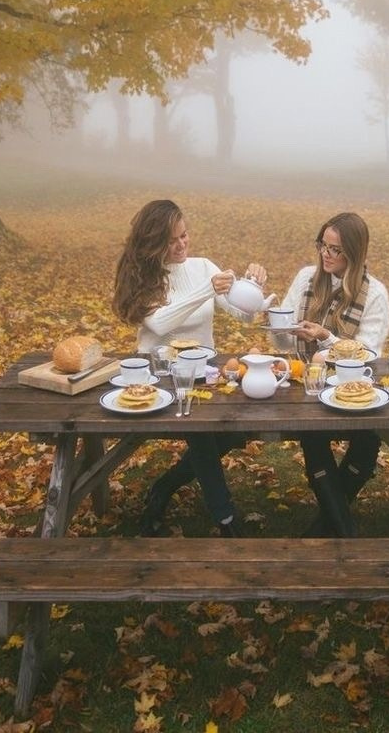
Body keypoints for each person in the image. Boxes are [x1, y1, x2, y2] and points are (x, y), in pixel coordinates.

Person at [112, 198, 267, 537]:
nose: (181, 245)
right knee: (201, 433)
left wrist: (253, 287)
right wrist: (205, 291)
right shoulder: (146, 277)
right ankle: (226, 520)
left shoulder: (202, 267)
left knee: (232, 431)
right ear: (153, 242)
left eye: (184, 236)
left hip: (204, 373)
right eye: (171, 240)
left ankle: (164, 487)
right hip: (162, 376)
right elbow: (160, 324)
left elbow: (243, 314)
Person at [269, 211, 389, 537]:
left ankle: (323, 530)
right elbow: (280, 340)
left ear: (354, 252)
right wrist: (281, 326)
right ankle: (346, 533)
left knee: (368, 442)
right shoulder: (306, 278)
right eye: (323, 245)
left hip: (355, 389)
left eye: (335, 249)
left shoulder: (374, 293)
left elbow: (370, 354)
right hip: (306, 385)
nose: (326, 254)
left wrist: (327, 338)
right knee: (313, 433)